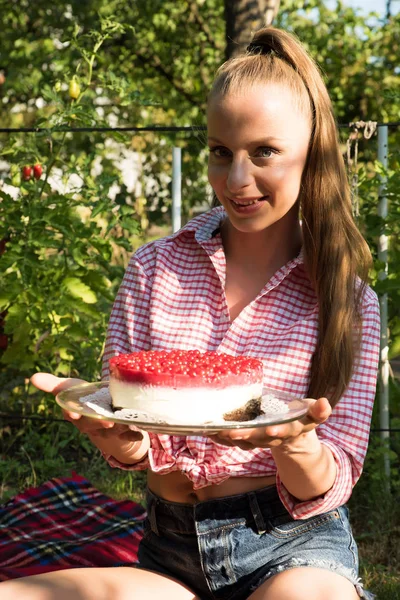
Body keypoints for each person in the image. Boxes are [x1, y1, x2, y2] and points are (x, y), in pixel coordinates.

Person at [1, 26, 380, 600]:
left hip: (292, 548)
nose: (236, 180)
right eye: (221, 152)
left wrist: (293, 443)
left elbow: (328, 483)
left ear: (312, 153)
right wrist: (110, 434)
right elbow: (135, 444)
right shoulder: (154, 270)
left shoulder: (349, 302)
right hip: (170, 552)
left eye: (265, 153)